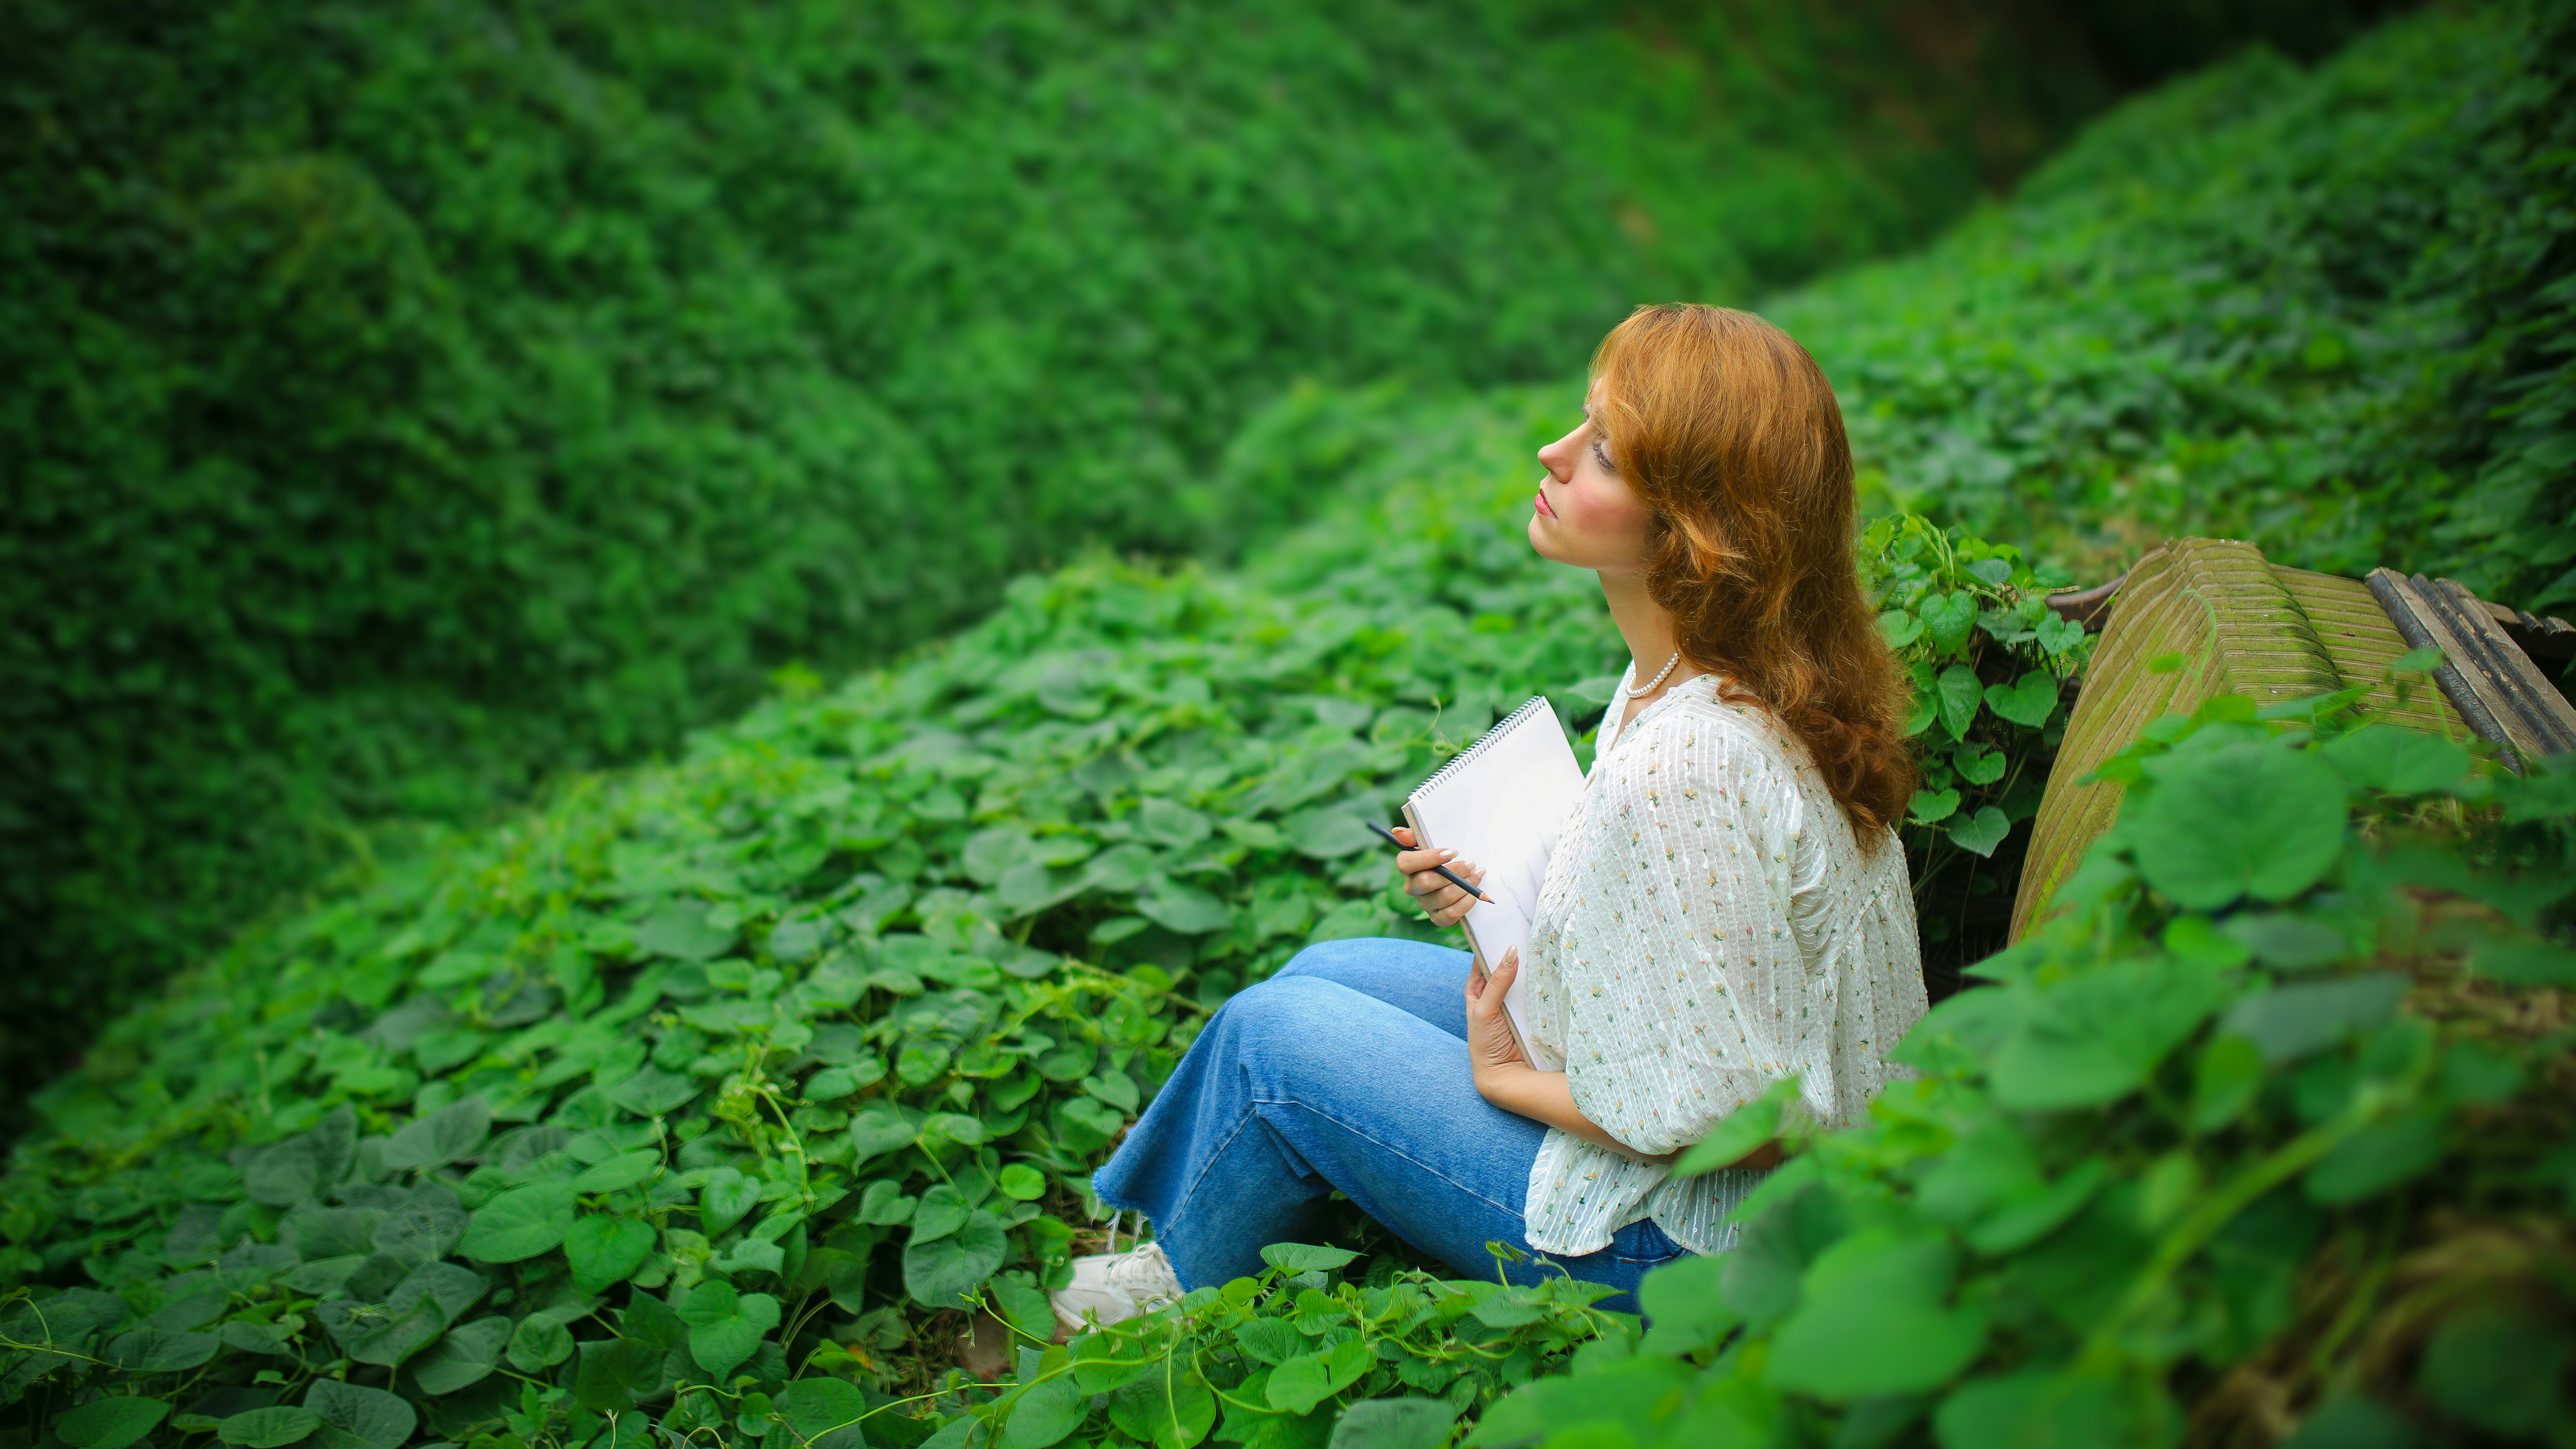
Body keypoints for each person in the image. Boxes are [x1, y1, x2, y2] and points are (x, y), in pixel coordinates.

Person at [1050, 304, 1927, 1329]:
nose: (1551, 455)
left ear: (1695, 530)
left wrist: (1508, 1079)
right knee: (1324, 971)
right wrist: (1509, 886)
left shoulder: (1692, 759)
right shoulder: (1720, 676)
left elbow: (1743, 1115)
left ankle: (1179, 1287)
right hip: (1737, 1165)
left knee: (1274, 1039)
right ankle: (1198, 1223)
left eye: (1603, 451)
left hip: (1699, 1245)